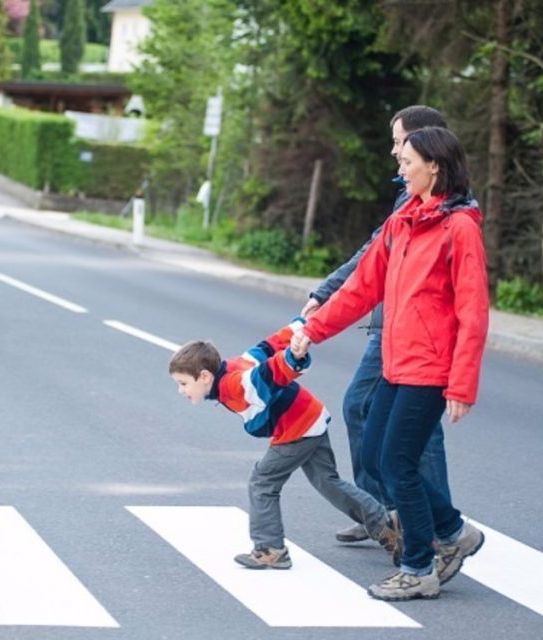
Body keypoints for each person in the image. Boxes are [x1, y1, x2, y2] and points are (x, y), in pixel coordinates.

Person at [292, 127, 489, 601]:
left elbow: (473, 311)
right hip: (396, 361)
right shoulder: (404, 220)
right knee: (382, 457)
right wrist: (311, 331)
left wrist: (461, 385)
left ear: (434, 166)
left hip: (429, 367)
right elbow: (363, 287)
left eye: (408, 162)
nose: (400, 168)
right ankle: (453, 529)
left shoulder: (459, 227)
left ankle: (420, 566)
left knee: (399, 463)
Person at [301, 106, 453, 545]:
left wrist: (324, 296)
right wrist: (326, 294)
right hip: (390, 324)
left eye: (399, 143)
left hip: (412, 331)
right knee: (368, 412)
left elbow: (376, 259)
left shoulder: (442, 206)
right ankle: (384, 514)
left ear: (424, 146)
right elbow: (375, 255)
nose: (393, 152)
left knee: (410, 430)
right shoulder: (409, 194)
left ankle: (431, 526)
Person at [168, 318, 401, 570]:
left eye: (183, 383)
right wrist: (302, 324)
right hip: (310, 416)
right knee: (327, 482)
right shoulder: (236, 366)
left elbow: (270, 371)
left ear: (204, 376)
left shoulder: (235, 384)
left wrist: (293, 356)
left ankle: (270, 548)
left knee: (263, 482)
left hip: (297, 427)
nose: (181, 390)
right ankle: (385, 525)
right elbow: (268, 346)